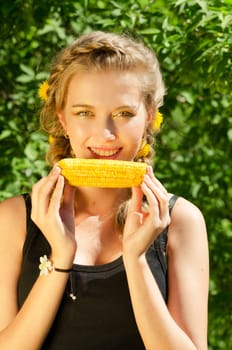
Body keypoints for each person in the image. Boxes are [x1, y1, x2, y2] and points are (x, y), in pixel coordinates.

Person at [0, 31, 209, 350]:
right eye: (84, 113)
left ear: (149, 118)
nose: (105, 134)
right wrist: (61, 256)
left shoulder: (180, 221)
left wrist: (136, 260)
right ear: (63, 120)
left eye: (124, 113)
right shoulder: (13, 220)